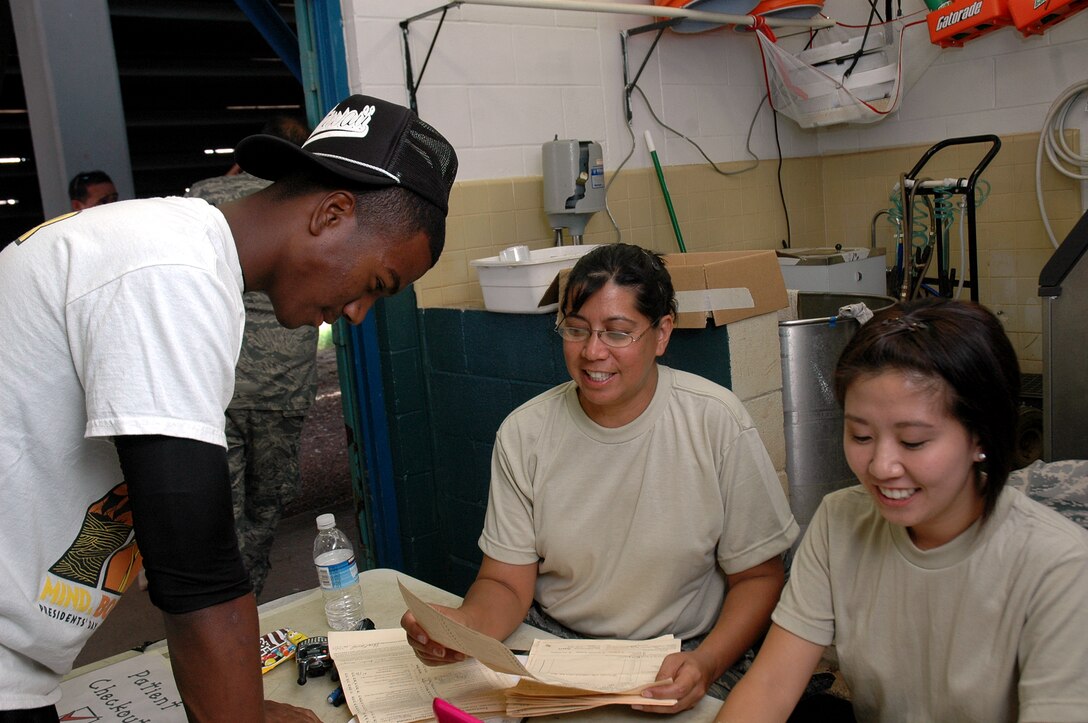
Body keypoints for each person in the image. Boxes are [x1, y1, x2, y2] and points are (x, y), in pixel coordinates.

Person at [0, 94, 457, 721]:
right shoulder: (170, 274)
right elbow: (195, 570)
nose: (357, 313)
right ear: (331, 213)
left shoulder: (176, 254)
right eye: (377, 284)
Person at [401, 243, 799, 713]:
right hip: (556, 650)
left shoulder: (716, 422)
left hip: (683, 651)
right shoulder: (525, 432)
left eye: (617, 332)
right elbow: (507, 584)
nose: (592, 352)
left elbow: (759, 577)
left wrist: (707, 664)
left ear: (662, 332)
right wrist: (464, 627)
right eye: (576, 330)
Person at [715, 298, 1088, 722]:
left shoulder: (1058, 564)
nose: (881, 466)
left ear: (982, 437)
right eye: (860, 435)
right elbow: (770, 686)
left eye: (913, 442)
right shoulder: (840, 522)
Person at [186, 114, 319, 598]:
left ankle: (221, 600)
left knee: (219, 507)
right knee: (267, 505)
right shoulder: (304, 202)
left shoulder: (205, 197)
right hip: (282, 389)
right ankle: (247, 592)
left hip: (215, 389)